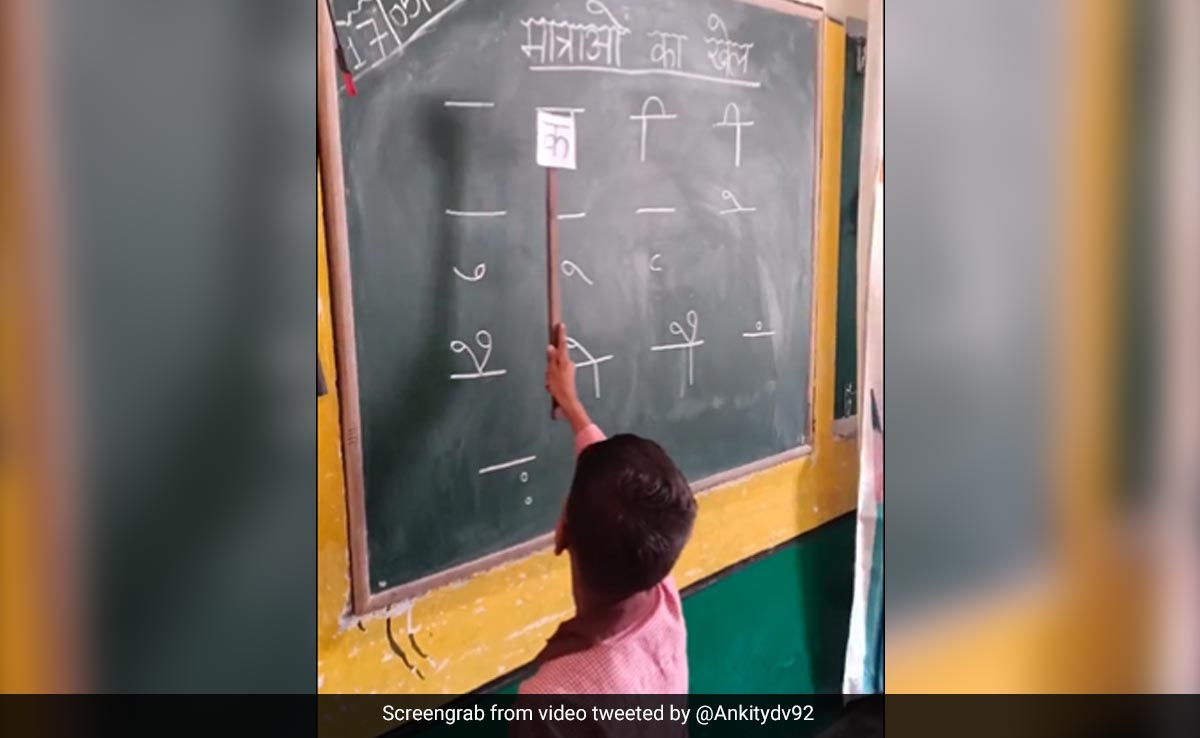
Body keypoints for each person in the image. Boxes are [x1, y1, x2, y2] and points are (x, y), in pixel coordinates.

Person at [518, 323, 697, 695]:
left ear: (562, 532)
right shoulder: (661, 601)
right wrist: (573, 406)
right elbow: (621, 491)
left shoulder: (553, 696)